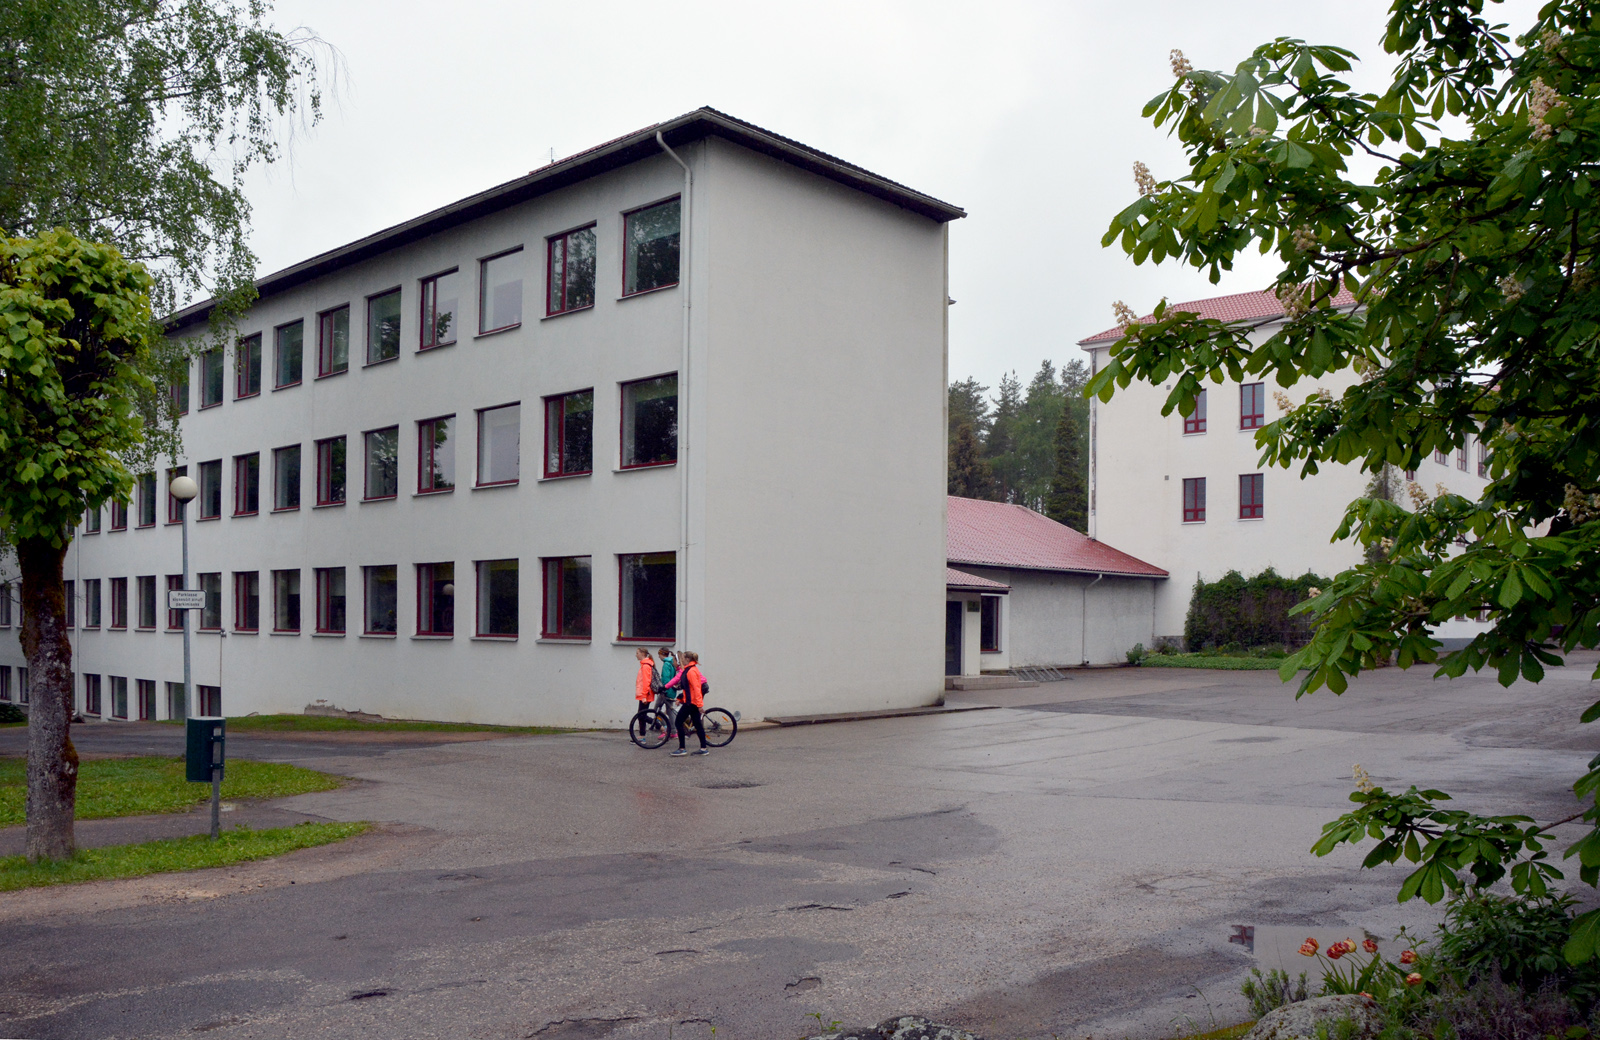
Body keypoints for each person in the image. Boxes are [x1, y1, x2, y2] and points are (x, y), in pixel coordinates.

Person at [666, 651, 709, 757]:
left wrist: (699, 705)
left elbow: (696, 689)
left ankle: (682, 748)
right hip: (690, 701)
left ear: (688, 659)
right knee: (698, 725)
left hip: (691, 703)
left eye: (684, 658)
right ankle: (703, 748)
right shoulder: (689, 669)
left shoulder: (691, 671)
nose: (682, 660)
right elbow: (688, 689)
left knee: (678, 722)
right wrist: (682, 699)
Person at [631, 648, 657, 740]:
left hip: (646, 695)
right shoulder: (644, 665)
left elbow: (646, 682)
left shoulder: (645, 666)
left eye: (637, 653)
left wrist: (644, 696)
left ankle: (659, 726)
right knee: (641, 715)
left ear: (642, 653)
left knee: (641, 715)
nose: (636, 655)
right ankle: (642, 735)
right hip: (644, 694)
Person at [652, 647, 679, 734]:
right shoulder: (672, 663)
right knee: (670, 712)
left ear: (661, 654)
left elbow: (666, 679)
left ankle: (666, 727)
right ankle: (673, 731)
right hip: (671, 691)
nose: (658, 657)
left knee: (656, 710)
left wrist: (663, 689)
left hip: (666, 691)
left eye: (659, 655)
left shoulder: (666, 664)